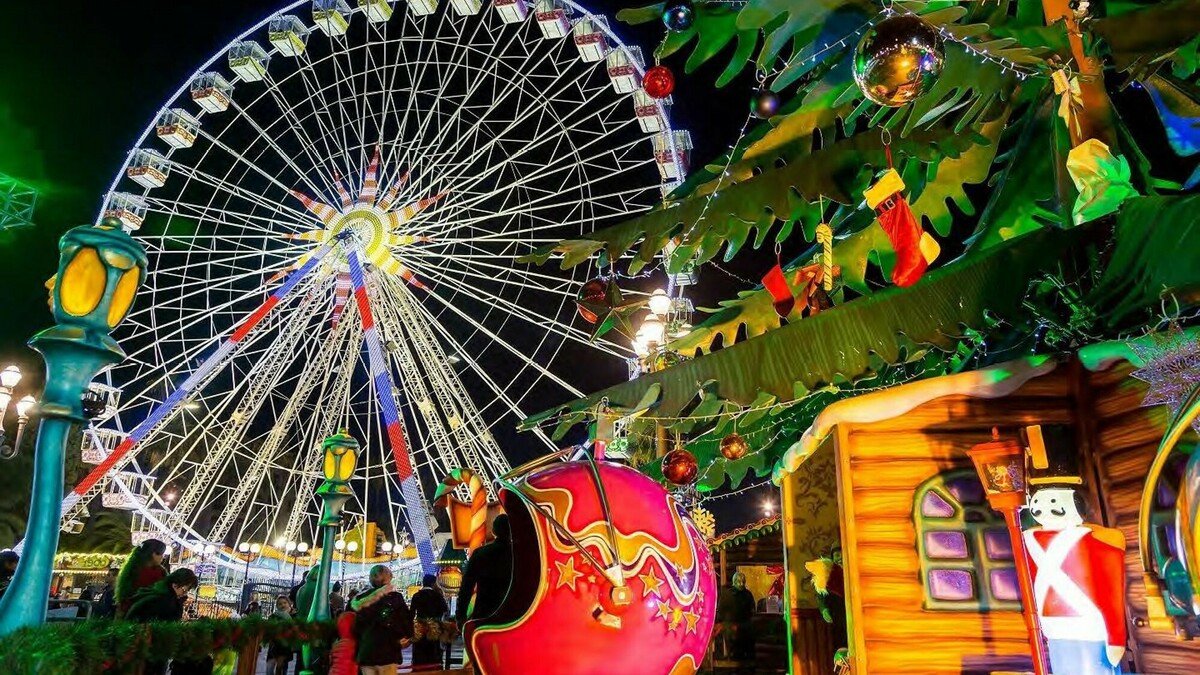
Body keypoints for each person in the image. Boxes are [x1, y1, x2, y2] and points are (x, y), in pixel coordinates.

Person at [125, 568, 199, 675]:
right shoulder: (165, 601)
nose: (185, 594)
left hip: (143, 650)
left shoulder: (159, 592)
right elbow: (168, 624)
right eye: (184, 590)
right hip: (151, 652)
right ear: (175, 585)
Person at [351, 564, 413, 675]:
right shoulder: (394, 598)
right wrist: (406, 635)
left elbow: (356, 628)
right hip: (387, 651)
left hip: (366, 652)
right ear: (387, 578)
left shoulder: (359, 600)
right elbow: (404, 620)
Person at [455, 514, 513, 627]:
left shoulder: (480, 554)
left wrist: (460, 615)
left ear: (493, 531)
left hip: (485, 612)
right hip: (514, 613)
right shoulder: (520, 555)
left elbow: (467, 586)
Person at [115, 539, 168, 618]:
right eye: (161, 554)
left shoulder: (131, 568)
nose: (162, 558)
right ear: (154, 554)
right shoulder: (157, 572)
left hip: (128, 613)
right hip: (147, 615)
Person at [410, 574, 450, 667]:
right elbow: (445, 609)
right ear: (433, 583)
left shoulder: (417, 595)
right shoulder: (437, 595)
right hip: (435, 628)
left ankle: (419, 668)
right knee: (433, 651)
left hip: (420, 628)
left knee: (420, 652)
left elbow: (411, 613)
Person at [717, 571, 756, 665]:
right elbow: (752, 611)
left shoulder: (727, 594)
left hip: (732, 627)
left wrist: (722, 623)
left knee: (735, 652)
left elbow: (720, 612)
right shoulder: (747, 595)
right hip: (740, 627)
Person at [266, 595, 295, 675]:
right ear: (277, 606)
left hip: (285, 648)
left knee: (281, 669)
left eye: (285, 603)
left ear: (289, 604)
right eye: (280, 604)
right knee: (269, 669)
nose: (283, 605)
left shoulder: (293, 615)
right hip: (274, 647)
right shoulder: (273, 616)